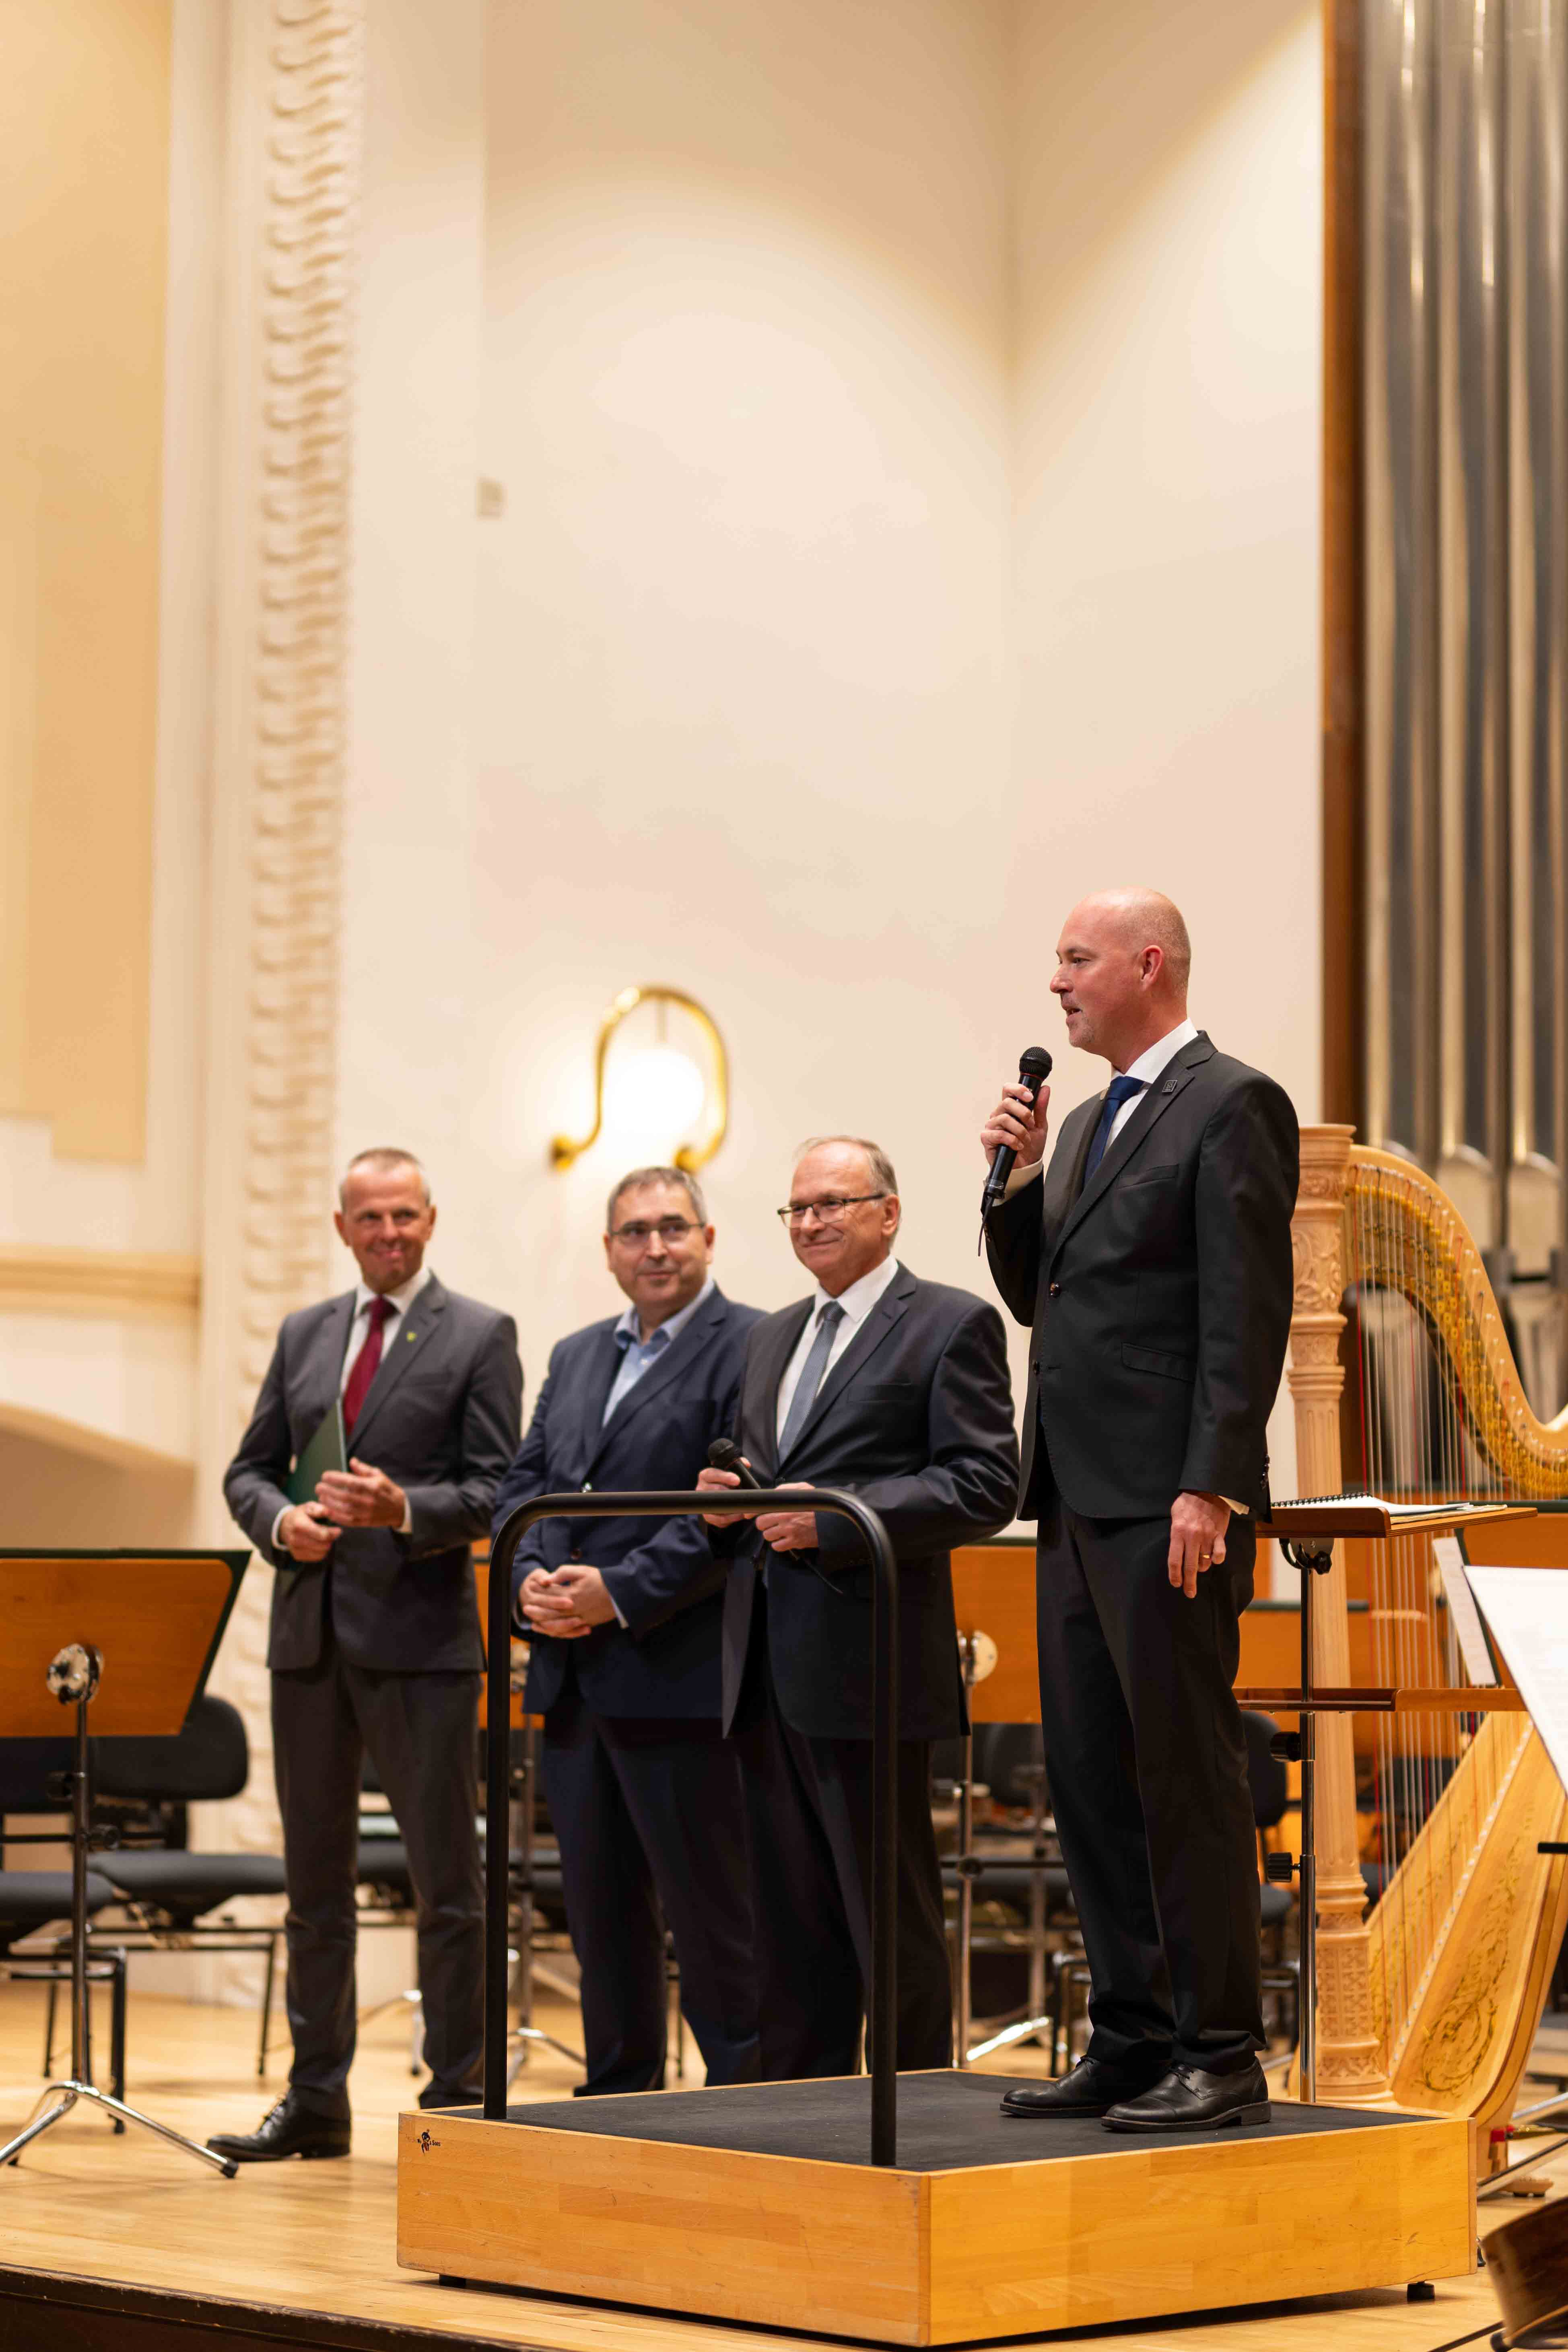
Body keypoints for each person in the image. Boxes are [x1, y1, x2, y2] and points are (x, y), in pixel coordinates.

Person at [980, 888, 1298, 2133]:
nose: (1056, 981)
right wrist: (1014, 1178)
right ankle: (1127, 2034)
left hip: (1170, 1498)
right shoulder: (1084, 1123)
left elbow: (1243, 1307)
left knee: (1183, 1774)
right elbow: (1039, 1297)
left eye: (1076, 958)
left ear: (1148, 961)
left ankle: (1217, 2047)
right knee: (1090, 1775)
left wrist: (1211, 1480)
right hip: (1071, 1492)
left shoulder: (1231, 1102)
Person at [213, 1148, 522, 2161]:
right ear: (341, 1227)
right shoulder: (305, 1331)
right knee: (314, 1888)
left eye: (404, 1215)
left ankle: (460, 2095)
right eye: (370, 1217)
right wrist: (280, 1521)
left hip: (422, 1643)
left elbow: (498, 1490)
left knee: (447, 1886)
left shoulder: (479, 1332)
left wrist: (404, 1510)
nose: (388, 1232)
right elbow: (249, 1469)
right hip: (309, 1639)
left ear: (430, 1219)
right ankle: (316, 2099)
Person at [698, 1136, 1018, 2078]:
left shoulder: (949, 1322)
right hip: (762, 1661)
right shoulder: (770, 1335)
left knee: (887, 1918)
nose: (811, 1222)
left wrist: (836, 1519)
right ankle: (798, 2115)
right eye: (798, 1208)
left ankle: (911, 2109)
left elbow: (983, 1483)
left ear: (888, 1211)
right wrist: (725, 1508)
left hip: (869, 1665)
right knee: (787, 1926)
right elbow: (766, 1478)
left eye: (832, 1203)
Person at [491, 1166, 762, 2095]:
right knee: (598, 1912)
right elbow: (526, 1488)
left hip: (678, 1671)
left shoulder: (752, 1344)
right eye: (634, 1232)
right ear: (608, 1249)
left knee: (710, 1913)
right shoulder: (575, 1355)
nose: (654, 1247)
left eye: (672, 1228)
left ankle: (744, 2103)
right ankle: (617, 2097)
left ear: (707, 1239)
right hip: (571, 1674)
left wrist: (617, 1591)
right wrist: (526, 1579)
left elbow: (727, 1508)